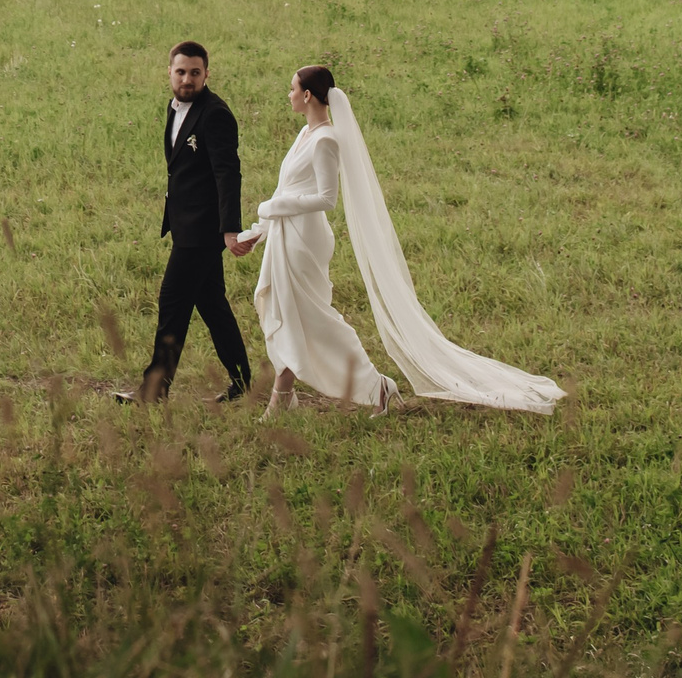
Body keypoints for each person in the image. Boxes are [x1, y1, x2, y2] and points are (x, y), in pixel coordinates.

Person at [229, 65, 564, 416]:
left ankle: (379, 389)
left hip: (304, 240)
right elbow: (289, 188)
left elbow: (326, 198)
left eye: (293, 89)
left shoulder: (326, 139)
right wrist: (259, 230)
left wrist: (274, 205)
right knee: (290, 315)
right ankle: (281, 401)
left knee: (316, 320)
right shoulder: (303, 134)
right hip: (284, 234)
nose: (289, 95)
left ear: (308, 95)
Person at [129, 41, 255, 403]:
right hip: (185, 225)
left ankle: (154, 389)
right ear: (169, 72)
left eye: (195, 73)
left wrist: (230, 229)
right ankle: (243, 382)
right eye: (181, 72)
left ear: (206, 75)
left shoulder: (215, 114)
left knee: (172, 305)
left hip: (202, 232)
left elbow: (228, 173)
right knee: (213, 305)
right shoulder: (175, 108)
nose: (187, 79)